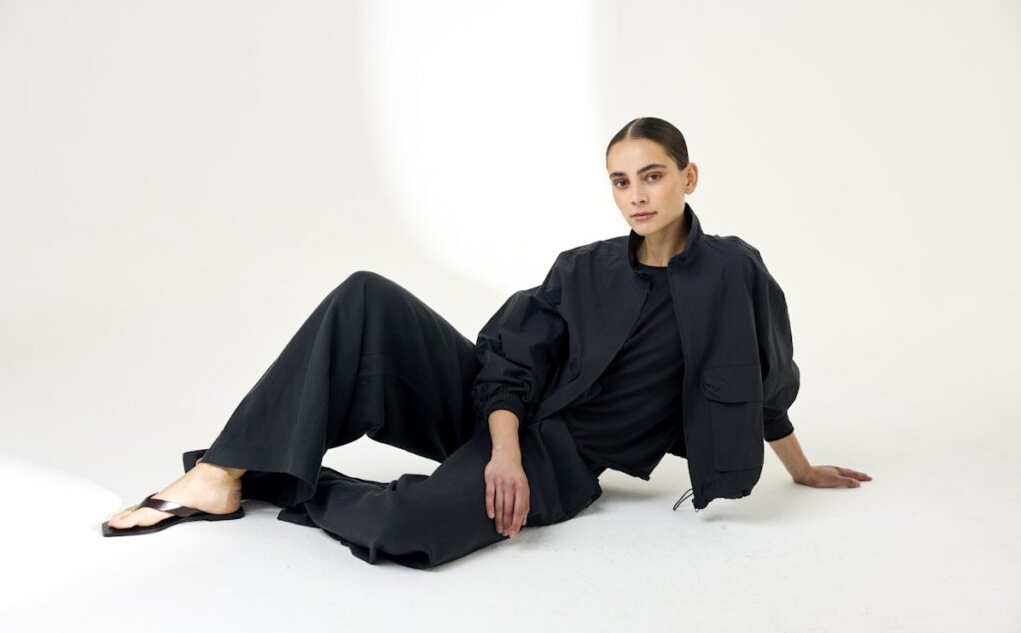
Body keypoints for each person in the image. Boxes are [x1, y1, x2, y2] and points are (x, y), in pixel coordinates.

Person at [101, 117, 872, 568]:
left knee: (406, 530)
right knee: (365, 294)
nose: (636, 195)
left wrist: (800, 468)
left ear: (688, 177)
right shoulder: (584, 267)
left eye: (653, 176)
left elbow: (766, 380)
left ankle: (279, 478)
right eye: (620, 180)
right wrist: (500, 448)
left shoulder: (734, 272)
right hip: (499, 418)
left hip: (558, 462)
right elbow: (511, 358)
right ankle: (221, 470)